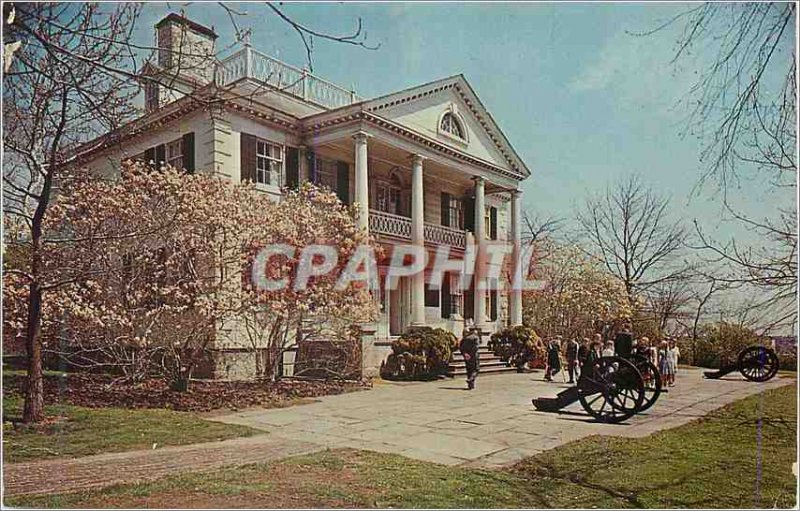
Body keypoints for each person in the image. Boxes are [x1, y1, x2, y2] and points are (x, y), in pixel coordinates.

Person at [459, 325, 481, 390]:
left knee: (469, 370)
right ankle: (471, 379)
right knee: (476, 369)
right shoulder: (475, 337)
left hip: (467, 356)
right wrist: (472, 354)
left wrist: (465, 354)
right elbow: (476, 347)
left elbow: (461, 347)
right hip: (474, 356)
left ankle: (471, 385)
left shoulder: (465, 338)